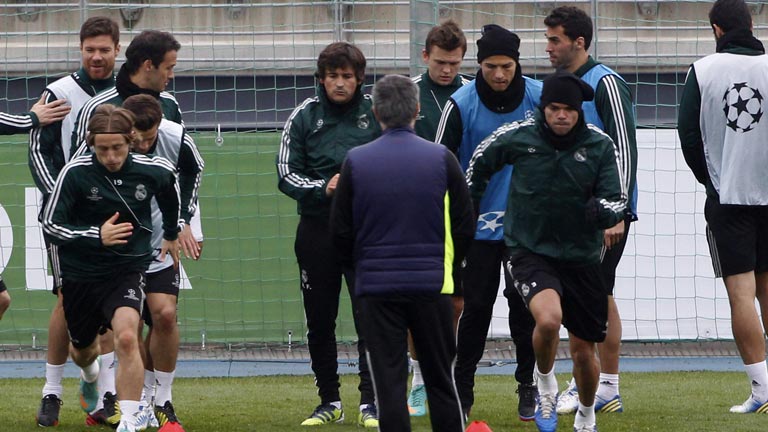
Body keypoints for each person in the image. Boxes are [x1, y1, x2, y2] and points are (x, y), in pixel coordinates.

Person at [466, 70, 627, 432]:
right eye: (554, 108)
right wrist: (469, 206)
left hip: (582, 257)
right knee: (549, 319)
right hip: (529, 250)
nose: (561, 116)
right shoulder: (520, 136)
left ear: (579, 111)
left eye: (568, 110)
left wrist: (602, 211)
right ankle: (545, 384)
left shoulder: (599, 145)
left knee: (584, 352)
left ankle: (586, 414)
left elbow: (617, 200)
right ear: (543, 109)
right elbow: (479, 162)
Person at [330, 74, 474, 432]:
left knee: (389, 386)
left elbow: (340, 231)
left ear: (376, 112)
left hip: (377, 289)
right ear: (417, 109)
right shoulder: (442, 158)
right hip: (432, 286)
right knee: (441, 381)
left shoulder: (356, 161)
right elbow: (464, 224)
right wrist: (448, 268)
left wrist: (362, 268)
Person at [41, 104, 181, 432]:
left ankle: (129, 420)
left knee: (128, 336)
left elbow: (170, 192)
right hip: (81, 274)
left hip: (126, 270)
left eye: (117, 147)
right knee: (83, 351)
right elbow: (50, 225)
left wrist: (172, 233)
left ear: (131, 139)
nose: (111, 156)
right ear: (92, 144)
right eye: (102, 149)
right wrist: (96, 235)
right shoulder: (74, 173)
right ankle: (90, 376)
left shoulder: (153, 170)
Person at [434, 23, 540, 421]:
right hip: (475, 228)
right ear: (479, 65)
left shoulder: (538, 97)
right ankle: (462, 390)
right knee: (475, 309)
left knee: (524, 306)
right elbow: (439, 165)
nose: (499, 74)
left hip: (525, 227)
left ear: (517, 64)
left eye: (506, 66)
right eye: (491, 66)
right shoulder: (460, 104)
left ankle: (527, 383)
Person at [276, 41, 381, 428]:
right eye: (332, 76)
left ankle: (371, 402)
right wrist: (325, 187)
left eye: (347, 76)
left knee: (370, 317)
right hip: (317, 230)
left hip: (367, 233)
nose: (339, 83)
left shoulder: (376, 113)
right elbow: (285, 174)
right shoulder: (304, 116)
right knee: (320, 320)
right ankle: (329, 401)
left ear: (360, 79)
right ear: (320, 79)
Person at [27, 16, 122, 428]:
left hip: (115, 217)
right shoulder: (59, 93)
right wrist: (64, 199)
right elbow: (38, 152)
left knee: (115, 302)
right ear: (80, 49)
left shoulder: (128, 93)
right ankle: (51, 391)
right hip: (65, 217)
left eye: (104, 49)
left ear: (117, 49)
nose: (96, 57)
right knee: (66, 299)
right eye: (89, 49)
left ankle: (106, 390)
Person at [543, 5, 638, 415]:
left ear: (579, 42)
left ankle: (598, 385)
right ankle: (605, 386)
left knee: (589, 295)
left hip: (604, 216)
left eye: (555, 40)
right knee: (600, 294)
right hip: (573, 214)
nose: (548, 47)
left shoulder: (606, 83)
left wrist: (616, 212)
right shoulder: (558, 85)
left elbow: (625, 150)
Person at [678, 0, 768, 415]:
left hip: (728, 197)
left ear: (716, 29)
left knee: (741, 294)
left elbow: (689, 137)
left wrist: (711, 182)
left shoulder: (702, 71)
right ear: (750, 24)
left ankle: (762, 389)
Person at [123, 94, 204, 432]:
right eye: (136, 139)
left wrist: (184, 221)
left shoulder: (176, 137)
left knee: (165, 316)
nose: (142, 145)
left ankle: (162, 399)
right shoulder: (109, 139)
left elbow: (194, 170)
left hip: (161, 239)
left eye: (149, 137)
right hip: (119, 249)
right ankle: (113, 393)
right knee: (122, 330)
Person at [407, 18, 469, 417]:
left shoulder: (471, 94)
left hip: (457, 212)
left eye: (454, 63)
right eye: (440, 62)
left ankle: (443, 373)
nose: (447, 70)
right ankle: (417, 379)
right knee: (417, 299)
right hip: (416, 213)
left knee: (456, 303)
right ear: (425, 56)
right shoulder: (408, 94)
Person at [72, 29, 183, 157]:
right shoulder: (96, 106)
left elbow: (183, 153)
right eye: (168, 68)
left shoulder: (170, 103)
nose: (171, 75)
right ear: (148, 65)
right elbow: (77, 163)